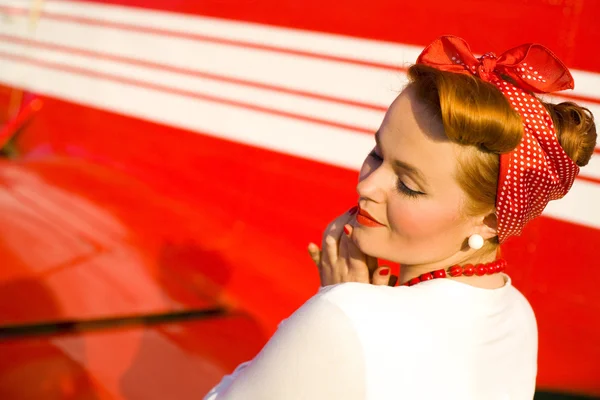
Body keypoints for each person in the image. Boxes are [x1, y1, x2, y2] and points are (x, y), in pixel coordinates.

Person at [203, 36, 597, 399]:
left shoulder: (345, 319)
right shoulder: (517, 316)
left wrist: (339, 304)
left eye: (409, 185)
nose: (367, 187)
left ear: (491, 219)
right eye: (377, 155)